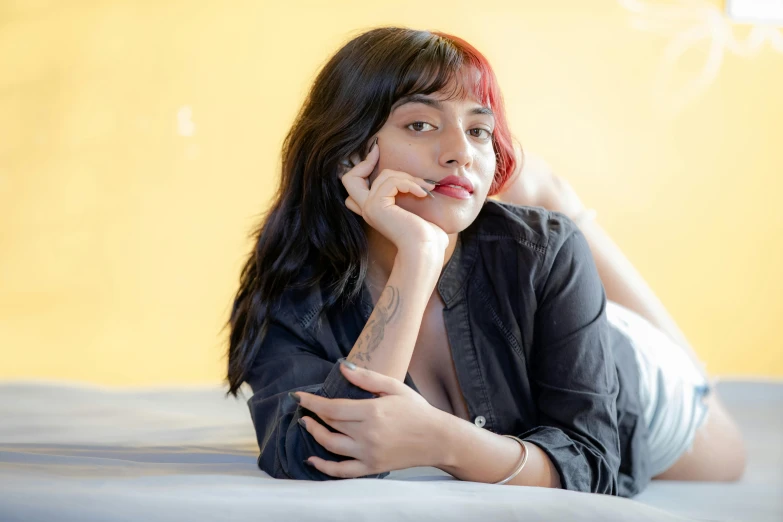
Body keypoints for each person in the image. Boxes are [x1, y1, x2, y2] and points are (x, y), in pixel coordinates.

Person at [225, 26, 746, 497]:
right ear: (348, 154)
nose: (461, 152)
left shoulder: (545, 251)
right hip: (534, 292)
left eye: (478, 131)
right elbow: (320, 457)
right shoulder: (291, 296)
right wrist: (420, 255)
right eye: (422, 125)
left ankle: (547, 191)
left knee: (728, 458)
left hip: (636, 376)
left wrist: (444, 441)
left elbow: (593, 465)